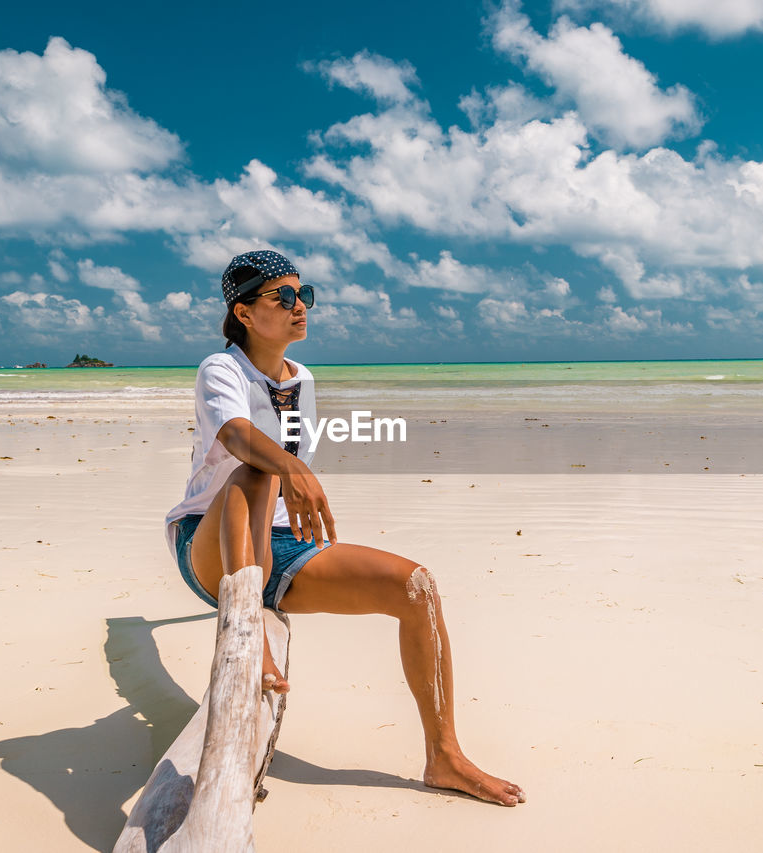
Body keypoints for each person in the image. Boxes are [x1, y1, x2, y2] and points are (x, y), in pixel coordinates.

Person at [164, 250, 525, 807]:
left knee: (415, 586)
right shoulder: (222, 369)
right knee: (256, 472)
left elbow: (288, 466)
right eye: (281, 297)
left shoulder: (301, 378)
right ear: (243, 312)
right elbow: (237, 437)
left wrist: (291, 475)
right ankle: (250, 630)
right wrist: (289, 466)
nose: (299, 307)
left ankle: (445, 755)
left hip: (277, 545)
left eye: (302, 295)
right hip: (208, 540)